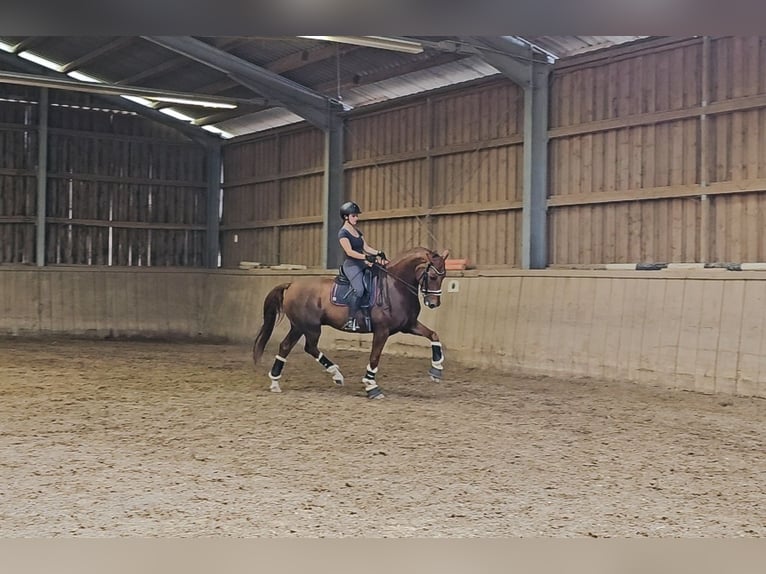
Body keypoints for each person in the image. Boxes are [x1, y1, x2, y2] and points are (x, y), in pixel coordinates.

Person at [337, 201, 388, 332]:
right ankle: (350, 320)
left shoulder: (357, 232)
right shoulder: (343, 233)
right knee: (359, 290)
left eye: (356, 216)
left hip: (362, 262)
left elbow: (365, 247)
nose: (356, 218)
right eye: (354, 216)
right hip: (352, 265)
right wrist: (365, 257)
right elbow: (349, 251)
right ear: (346, 217)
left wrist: (378, 252)